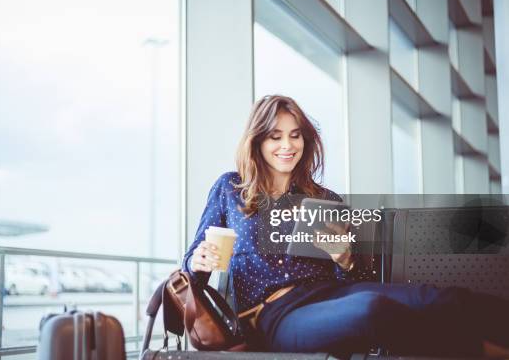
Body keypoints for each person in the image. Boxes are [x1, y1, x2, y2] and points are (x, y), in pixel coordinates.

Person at [182, 95, 509, 358]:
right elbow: (191, 269)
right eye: (275, 136)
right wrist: (199, 261)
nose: (287, 146)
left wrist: (344, 258)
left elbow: (355, 279)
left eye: (295, 135)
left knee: (436, 298)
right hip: (273, 315)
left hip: (332, 293)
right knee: (371, 309)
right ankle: (482, 351)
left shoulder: (324, 198)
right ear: (258, 141)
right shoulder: (230, 188)